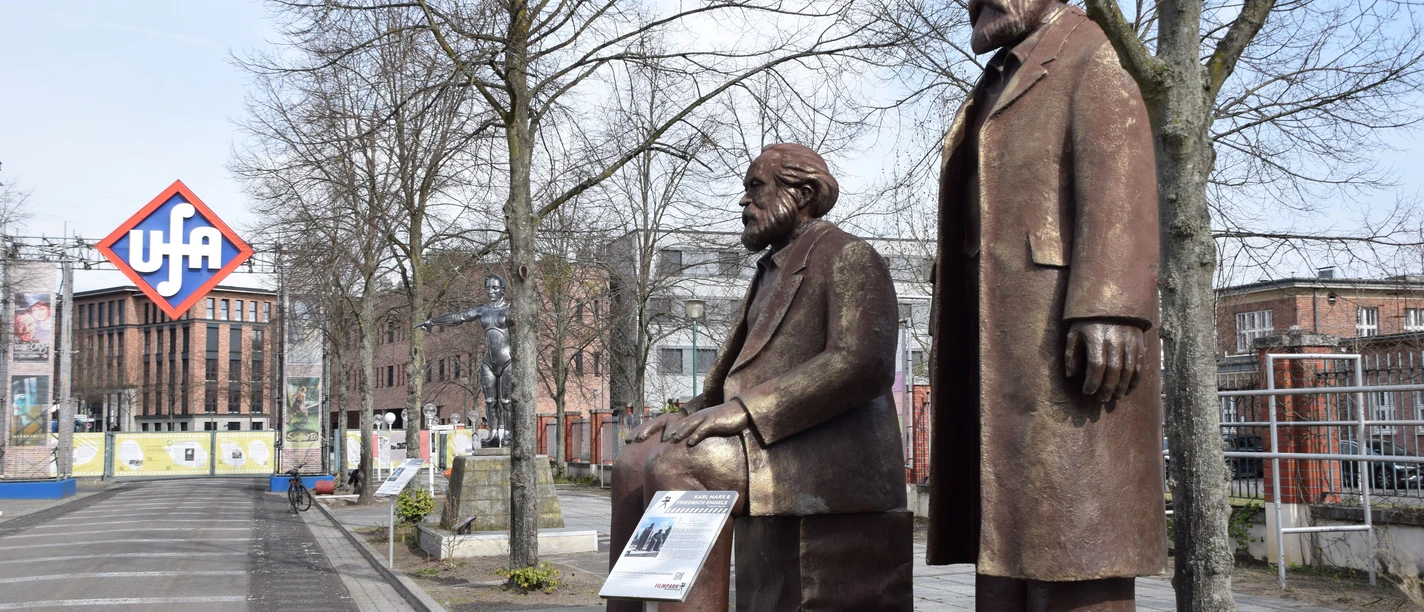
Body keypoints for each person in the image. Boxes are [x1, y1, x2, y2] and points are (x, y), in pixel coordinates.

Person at [926, 2, 1165, 610]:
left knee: (1079, 538)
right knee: (1004, 536)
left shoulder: (1089, 53)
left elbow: (1120, 174)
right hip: (997, 335)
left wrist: (1109, 303)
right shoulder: (999, 77)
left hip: (1062, 329)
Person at [609, 143, 908, 611]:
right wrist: (686, 412)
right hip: (778, 440)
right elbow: (733, 372)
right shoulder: (770, 268)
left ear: (802, 193)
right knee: (633, 460)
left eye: (755, 188)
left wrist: (742, 411)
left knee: (681, 465)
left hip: (835, 447)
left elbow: (862, 364)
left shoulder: (848, 255)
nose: (743, 202)